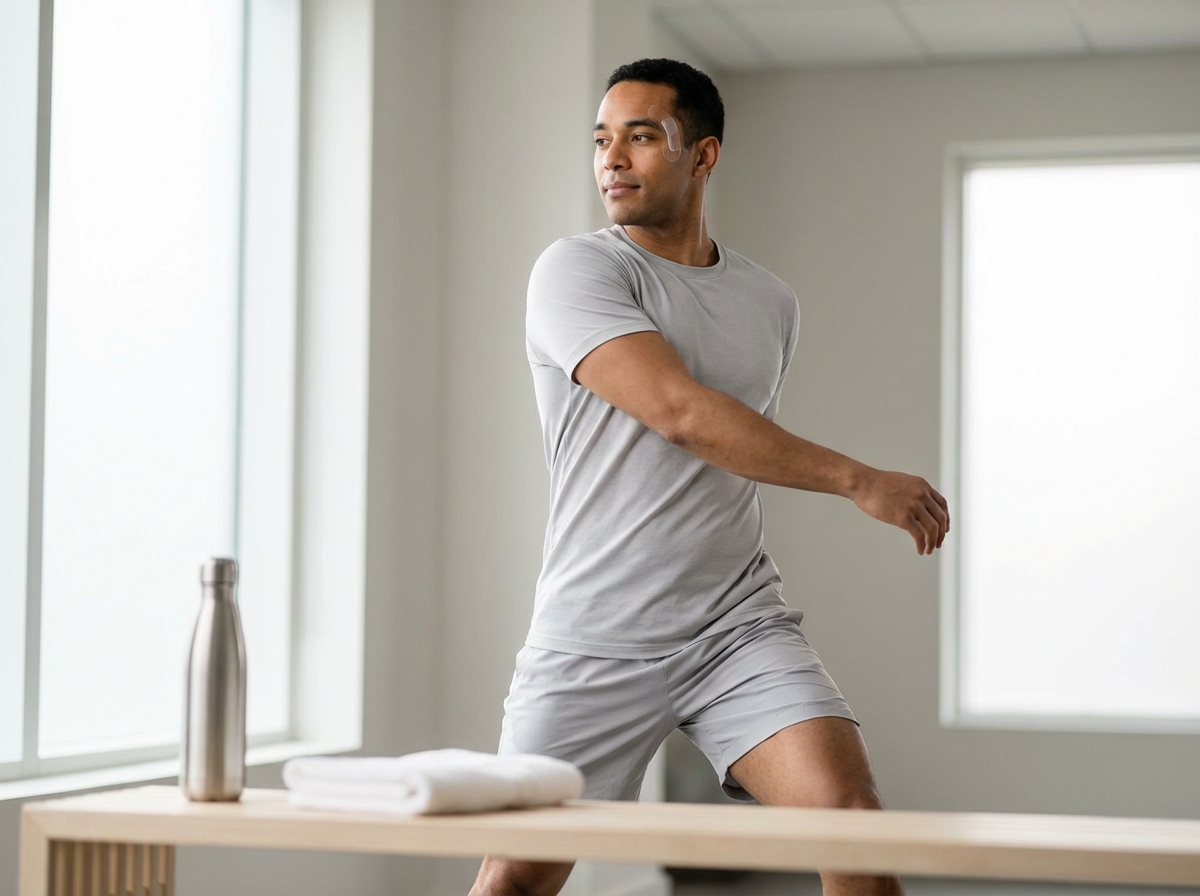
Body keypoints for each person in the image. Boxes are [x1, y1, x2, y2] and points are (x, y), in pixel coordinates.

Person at [469, 58, 948, 896]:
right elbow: (679, 414)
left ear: (704, 155)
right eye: (601, 139)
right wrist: (856, 480)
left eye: (642, 136)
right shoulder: (577, 271)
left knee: (854, 831)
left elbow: (729, 448)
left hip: (735, 626)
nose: (613, 158)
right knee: (514, 877)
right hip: (595, 634)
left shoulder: (770, 302)